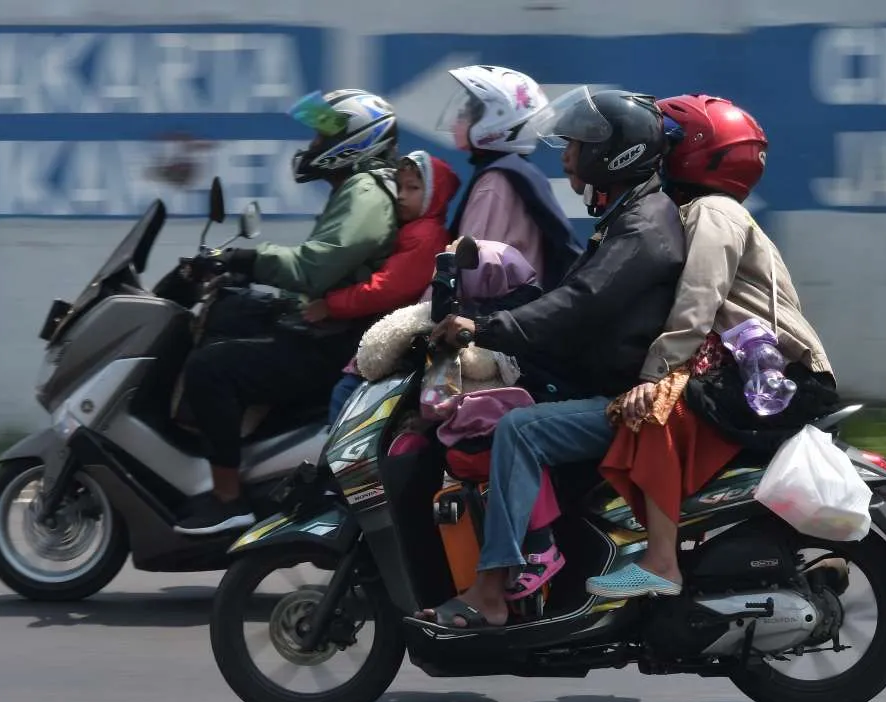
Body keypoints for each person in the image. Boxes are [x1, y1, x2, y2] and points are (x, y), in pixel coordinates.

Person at [414, 87, 686, 630]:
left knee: (519, 429)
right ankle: (537, 548)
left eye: (578, 145)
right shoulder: (627, 216)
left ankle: (491, 590)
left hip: (620, 399)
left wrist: (486, 328)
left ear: (615, 154)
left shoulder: (643, 226)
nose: (566, 156)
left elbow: (580, 304)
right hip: (601, 380)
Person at [585, 94, 840, 598]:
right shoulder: (704, 212)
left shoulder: (713, 213)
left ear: (693, 151)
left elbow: (698, 298)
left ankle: (662, 563)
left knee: (654, 415)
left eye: (667, 143)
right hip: (759, 370)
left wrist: (656, 374)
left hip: (772, 378)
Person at [175, 89, 401, 536]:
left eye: (322, 136)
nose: (313, 145)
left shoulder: (366, 193)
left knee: (209, 369)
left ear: (356, 141)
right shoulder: (360, 189)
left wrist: (244, 259)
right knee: (230, 313)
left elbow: (314, 267)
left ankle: (229, 501)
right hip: (334, 327)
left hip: (337, 341)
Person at [320, 150, 461, 421]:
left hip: (402, 341)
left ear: (436, 194)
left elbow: (386, 289)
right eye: (400, 187)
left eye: (413, 188)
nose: (401, 196)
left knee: (346, 394)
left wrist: (330, 305)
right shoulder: (414, 230)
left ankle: (337, 450)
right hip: (400, 335)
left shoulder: (427, 236)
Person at [440, 65, 583, 289]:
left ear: (498, 118)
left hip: (496, 308)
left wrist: (428, 305)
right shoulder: (517, 172)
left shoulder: (494, 182)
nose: (459, 117)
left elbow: (471, 273)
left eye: (470, 110)